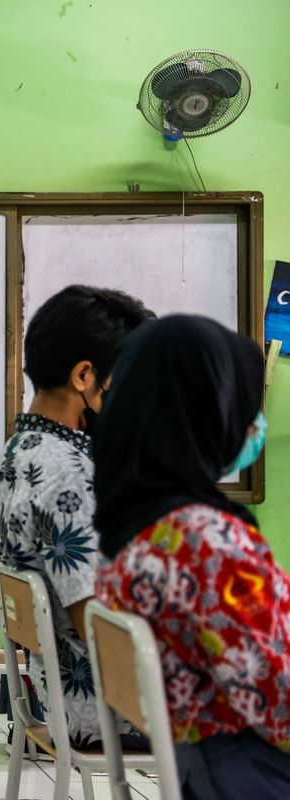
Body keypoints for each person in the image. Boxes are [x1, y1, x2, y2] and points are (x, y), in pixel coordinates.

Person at [95, 315, 290, 800]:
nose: (252, 423)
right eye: (243, 404)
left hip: (201, 768)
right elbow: (278, 699)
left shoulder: (133, 529)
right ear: (204, 411)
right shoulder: (207, 542)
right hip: (253, 769)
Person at [0, 285, 153, 749]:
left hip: (60, 696)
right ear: (85, 375)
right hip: (109, 711)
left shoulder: (16, 456)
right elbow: (100, 628)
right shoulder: (71, 475)